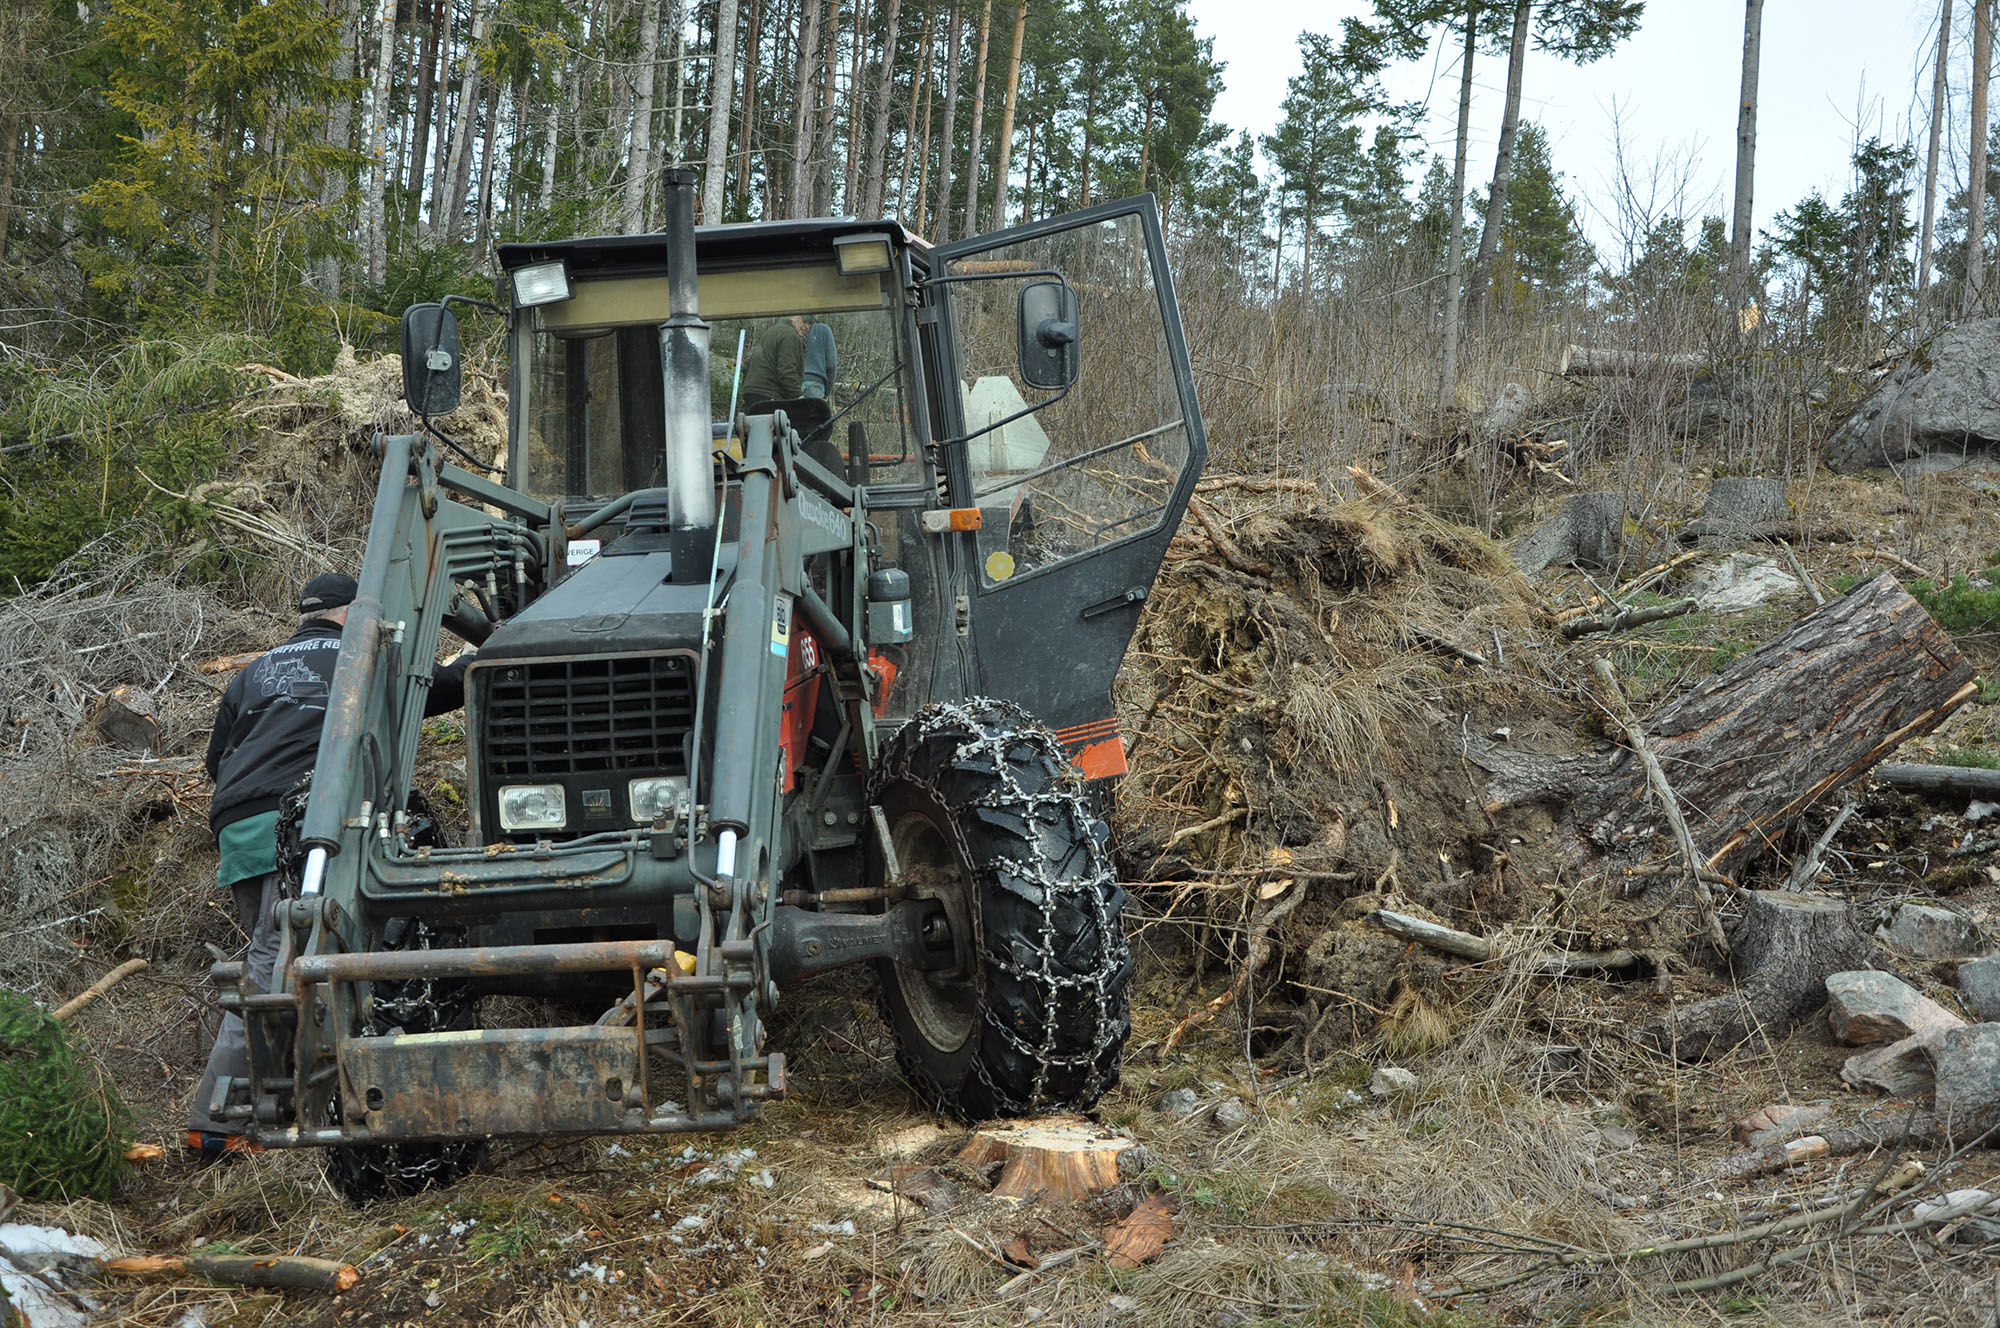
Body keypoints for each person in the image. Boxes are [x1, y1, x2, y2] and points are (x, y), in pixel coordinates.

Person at [190, 573, 470, 1158]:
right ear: (351, 613)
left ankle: (286, 1101)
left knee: (275, 956)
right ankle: (216, 1124)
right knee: (276, 961)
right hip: (299, 820)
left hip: (238, 824)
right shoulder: (358, 655)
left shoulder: (256, 670)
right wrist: (492, 648)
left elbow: (216, 759)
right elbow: (439, 688)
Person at [739, 315, 807, 407]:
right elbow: (786, 371)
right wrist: (799, 397)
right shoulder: (790, 335)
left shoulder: (771, 331)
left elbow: (750, 361)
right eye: (804, 322)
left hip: (751, 392)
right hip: (769, 393)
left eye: (809, 325)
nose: (806, 328)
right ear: (793, 317)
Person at [801, 318, 836, 401]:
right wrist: (827, 391)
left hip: (793, 384)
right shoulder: (824, 330)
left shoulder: (795, 329)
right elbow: (831, 365)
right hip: (816, 385)